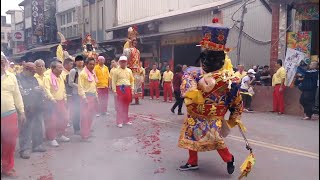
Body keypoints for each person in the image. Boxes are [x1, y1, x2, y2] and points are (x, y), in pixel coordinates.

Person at [178, 21, 244, 175]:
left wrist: (235, 115)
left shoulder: (229, 79)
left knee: (215, 139)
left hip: (213, 115)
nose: (209, 61)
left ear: (221, 59)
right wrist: (197, 85)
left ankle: (229, 159)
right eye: (207, 57)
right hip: (196, 114)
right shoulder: (194, 73)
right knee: (191, 136)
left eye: (214, 58)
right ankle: (192, 161)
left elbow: (236, 100)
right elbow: (187, 86)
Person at [1, 55, 26, 178]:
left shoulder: (11, 77)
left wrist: (21, 111)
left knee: (9, 143)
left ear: (5, 63)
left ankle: (7, 167)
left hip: (9, 115)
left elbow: (17, 95)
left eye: (2, 61)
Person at [16, 63, 47, 159]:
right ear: (26, 70)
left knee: (37, 126)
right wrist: (33, 90)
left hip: (36, 106)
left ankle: (37, 145)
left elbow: (38, 90)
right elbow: (20, 92)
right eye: (33, 71)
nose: (34, 73)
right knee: (25, 128)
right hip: (25, 107)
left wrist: (41, 91)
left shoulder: (34, 79)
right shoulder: (18, 79)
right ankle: (25, 149)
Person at [43, 60, 70, 147]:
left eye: (61, 67)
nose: (61, 69)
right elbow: (46, 90)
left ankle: (60, 134)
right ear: (53, 69)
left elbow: (63, 89)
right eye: (59, 68)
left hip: (61, 101)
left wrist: (65, 98)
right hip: (51, 102)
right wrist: (52, 99)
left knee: (65, 118)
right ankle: (52, 138)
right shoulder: (47, 78)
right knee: (52, 121)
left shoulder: (61, 77)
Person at [78, 58, 98, 140]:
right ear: (86, 64)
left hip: (92, 96)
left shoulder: (92, 73)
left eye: (93, 64)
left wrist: (96, 96)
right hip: (86, 97)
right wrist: (84, 98)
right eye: (90, 64)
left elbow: (94, 86)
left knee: (91, 115)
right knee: (85, 116)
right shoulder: (83, 74)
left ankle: (88, 132)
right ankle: (84, 135)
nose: (92, 66)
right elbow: (80, 87)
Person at [112, 56, 134, 128]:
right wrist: (114, 91)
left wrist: (132, 89)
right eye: (122, 62)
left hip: (127, 88)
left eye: (124, 62)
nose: (123, 63)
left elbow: (132, 80)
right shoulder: (116, 71)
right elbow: (113, 82)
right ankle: (119, 121)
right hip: (120, 88)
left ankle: (126, 120)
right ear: (119, 62)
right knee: (119, 106)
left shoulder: (129, 71)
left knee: (126, 105)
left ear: (126, 62)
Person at [68, 55, 84, 135]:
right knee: (76, 112)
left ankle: (84, 127)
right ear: (75, 62)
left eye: (81, 60)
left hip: (84, 94)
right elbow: (70, 83)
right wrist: (79, 86)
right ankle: (76, 129)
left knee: (84, 111)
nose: (80, 62)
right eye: (78, 60)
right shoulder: (73, 71)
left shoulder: (85, 70)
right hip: (76, 94)